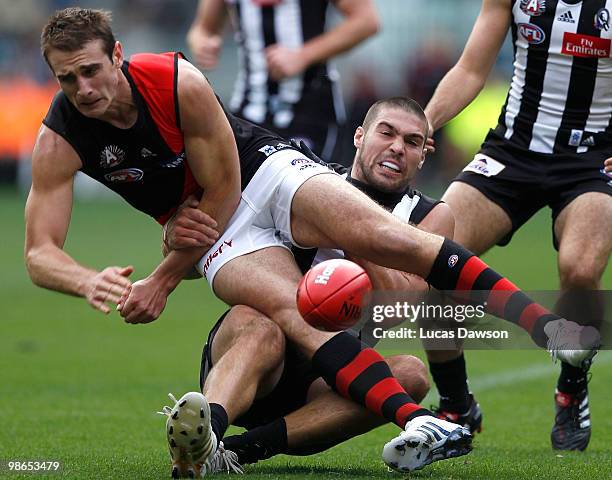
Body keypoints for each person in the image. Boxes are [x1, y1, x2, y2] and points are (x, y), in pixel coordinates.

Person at [27, 7, 596, 476]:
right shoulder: (61, 137)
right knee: (285, 311)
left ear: (118, 55)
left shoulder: (176, 81)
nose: (84, 89)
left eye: (91, 71)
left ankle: (548, 331)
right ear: (359, 137)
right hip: (224, 230)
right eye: (67, 78)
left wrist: (168, 273)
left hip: (256, 170)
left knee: (387, 237)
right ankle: (406, 421)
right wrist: (90, 279)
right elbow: (38, 253)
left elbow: (224, 185)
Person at [161, 99, 470, 471]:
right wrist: (175, 234)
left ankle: (236, 451)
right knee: (260, 325)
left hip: (330, 377)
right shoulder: (306, 177)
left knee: (412, 376)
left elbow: (395, 309)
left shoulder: (431, 215)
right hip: (254, 351)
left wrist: (357, 231)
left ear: (423, 156)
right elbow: (212, 253)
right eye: (385, 133)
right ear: (359, 136)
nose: (397, 148)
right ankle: (209, 427)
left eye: (412, 142)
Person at [424, 0, 612, 451]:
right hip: (513, 151)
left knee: (582, 269)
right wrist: (424, 121)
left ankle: (571, 384)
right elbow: (471, 69)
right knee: (431, 254)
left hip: (592, 159)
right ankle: (455, 405)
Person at [186, 0, 379, 161]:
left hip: (310, 111)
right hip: (247, 110)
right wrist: (203, 43)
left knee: (302, 193)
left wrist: (303, 55)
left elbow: (366, 21)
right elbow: (201, 29)